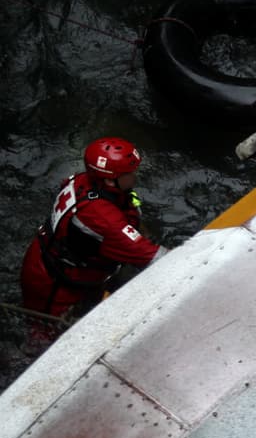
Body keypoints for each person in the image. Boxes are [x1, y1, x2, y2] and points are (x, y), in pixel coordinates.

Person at [20, 137, 162, 326]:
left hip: (52, 255)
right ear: (109, 181)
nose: (134, 177)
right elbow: (154, 257)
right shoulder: (103, 218)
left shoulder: (84, 180)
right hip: (53, 283)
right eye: (128, 174)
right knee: (46, 333)